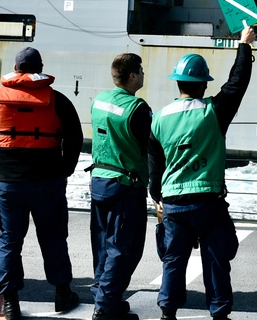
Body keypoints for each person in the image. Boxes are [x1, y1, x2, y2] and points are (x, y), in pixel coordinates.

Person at [149, 24, 256, 320]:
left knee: (173, 261)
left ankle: (167, 314)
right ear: (203, 85)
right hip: (207, 202)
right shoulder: (213, 112)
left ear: (178, 83)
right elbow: (237, 84)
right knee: (217, 259)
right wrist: (244, 46)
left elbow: (155, 165)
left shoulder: (159, 119)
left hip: (173, 202)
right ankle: (220, 314)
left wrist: (157, 196)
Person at [0, 47, 84, 320]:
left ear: (15, 67)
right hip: (47, 181)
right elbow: (74, 137)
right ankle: (62, 293)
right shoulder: (57, 100)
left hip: (8, 182)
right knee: (54, 237)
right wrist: (65, 170)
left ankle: (9, 302)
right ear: (40, 68)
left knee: (9, 242)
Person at [89, 53, 151, 320]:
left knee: (102, 245)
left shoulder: (99, 100)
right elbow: (150, 148)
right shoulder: (137, 108)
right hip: (126, 184)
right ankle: (106, 307)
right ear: (133, 76)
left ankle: (105, 297)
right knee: (123, 248)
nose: (143, 75)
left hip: (100, 180)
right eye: (141, 71)